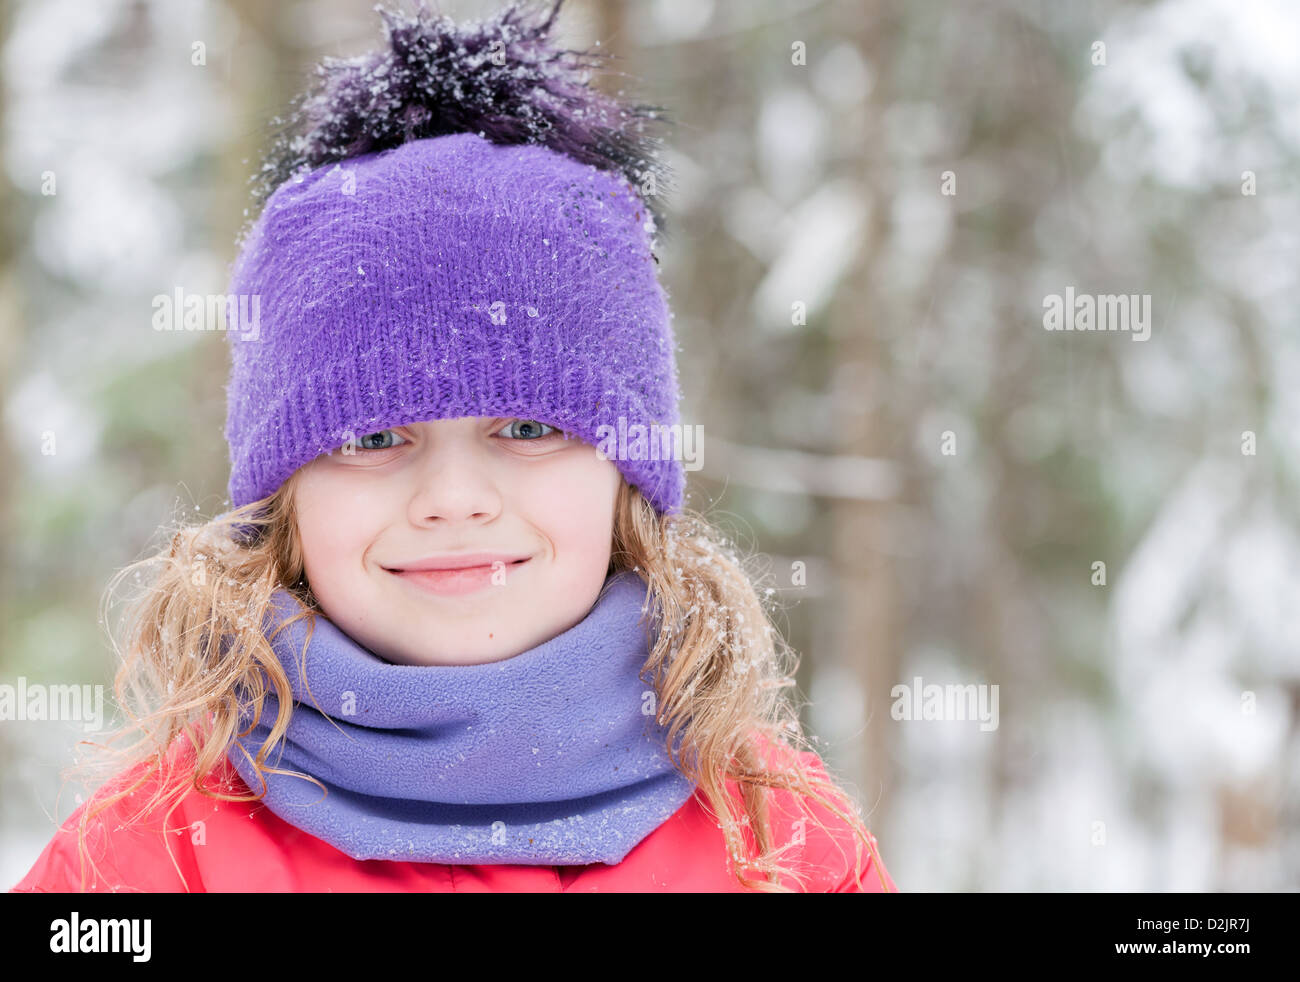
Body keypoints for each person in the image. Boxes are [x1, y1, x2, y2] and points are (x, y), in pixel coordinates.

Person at [10, 0, 896, 894]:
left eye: (527, 428)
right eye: (372, 436)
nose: (453, 498)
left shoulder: (784, 847)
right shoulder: (140, 863)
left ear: (626, 476)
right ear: (283, 499)